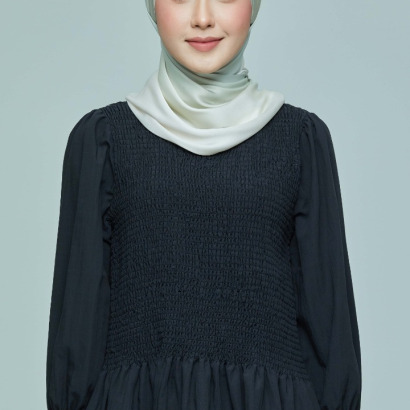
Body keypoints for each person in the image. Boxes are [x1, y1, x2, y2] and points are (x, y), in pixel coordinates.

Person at [46, 0, 362, 409]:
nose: (202, 18)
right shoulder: (102, 142)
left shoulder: (301, 141)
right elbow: (77, 326)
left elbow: (328, 330)